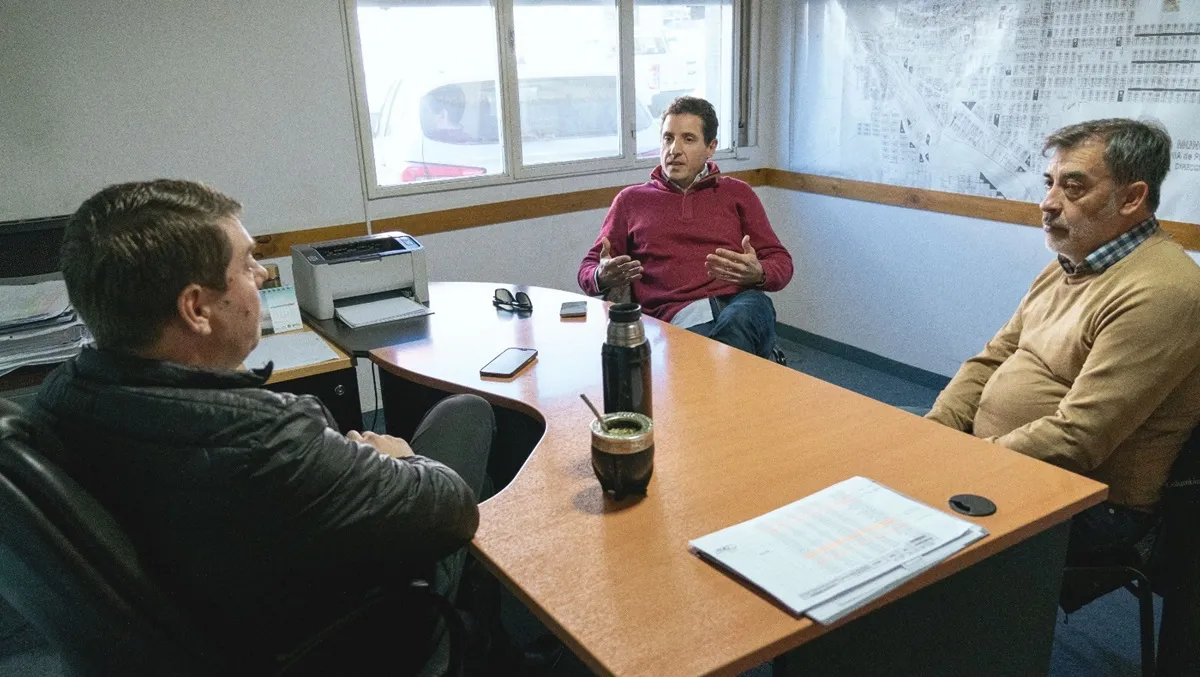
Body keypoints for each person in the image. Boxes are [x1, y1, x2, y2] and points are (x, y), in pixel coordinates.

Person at [31, 179, 492, 674]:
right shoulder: (265, 439)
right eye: (247, 262)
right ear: (196, 309)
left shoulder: (61, 396)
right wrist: (398, 459)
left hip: (213, 616)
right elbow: (453, 510)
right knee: (466, 417)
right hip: (337, 636)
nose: (264, 273)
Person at [926, 118, 1200, 562]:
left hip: (1092, 502)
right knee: (874, 461)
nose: (1048, 203)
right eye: (1049, 183)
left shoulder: (1164, 291)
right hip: (999, 458)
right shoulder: (1070, 262)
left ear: (1132, 198)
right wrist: (935, 432)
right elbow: (991, 359)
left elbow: (1077, 439)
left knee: (904, 537)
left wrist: (963, 461)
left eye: (1073, 188)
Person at [577, 96, 793, 359]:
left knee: (744, 316)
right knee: (715, 353)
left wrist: (759, 272)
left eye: (688, 139)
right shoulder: (631, 201)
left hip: (740, 304)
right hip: (677, 319)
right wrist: (601, 275)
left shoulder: (738, 194)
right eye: (668, 138)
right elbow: (588, 269)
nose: (674, 150)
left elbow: (782, 262)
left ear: (711, 147)